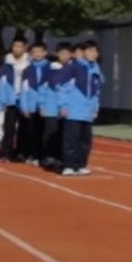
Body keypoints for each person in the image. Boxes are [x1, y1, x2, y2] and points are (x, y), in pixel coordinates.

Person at [58, 41, 103, 176]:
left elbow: (97, 92)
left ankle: (81, 164)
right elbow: (62, 87)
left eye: (95, 51)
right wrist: (63, 105)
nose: (92, 54)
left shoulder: (96, 69)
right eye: (89, 51)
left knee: (85, 141)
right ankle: (69, 165)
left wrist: (95, 108)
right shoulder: (74, 67)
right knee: (71, 139)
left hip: (87, 111)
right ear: (83, 52)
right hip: (73, 110)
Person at [37, 43, 76, 172]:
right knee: (50, 133)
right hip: (51, 106)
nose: (64, 56)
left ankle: (61, 158)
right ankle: (48, 157)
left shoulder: (74, 69)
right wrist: (42, 104)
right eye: (62, 53)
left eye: (67, 53)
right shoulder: (49, 68)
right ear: (57, 54)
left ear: (71, 55)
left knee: (63, 134)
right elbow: (42, 87)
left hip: (67, 108)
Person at [16, 42, 53, 164]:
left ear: (45, 53)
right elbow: (24, 90)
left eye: (40, 51)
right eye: (34, 52)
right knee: (33, 132)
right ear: (31, 54)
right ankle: (34, 155)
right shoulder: (27, 70)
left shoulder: (50, 68)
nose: (37, 54)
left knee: (46, 133)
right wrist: (24, 107)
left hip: (47, 107)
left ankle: (45, 156)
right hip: (32, 106)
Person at [0, 37, 31, 160]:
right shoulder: (7, 62)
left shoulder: (29, 62)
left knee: (25, 128)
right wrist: (3, 99)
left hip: (25, 99)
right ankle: (6, 152)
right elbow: (1, 81)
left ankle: (21, 152)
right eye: (14, 46)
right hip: (11, 99)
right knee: (9, 128)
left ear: (25, 48)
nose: (17, 49)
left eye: (19, 46)